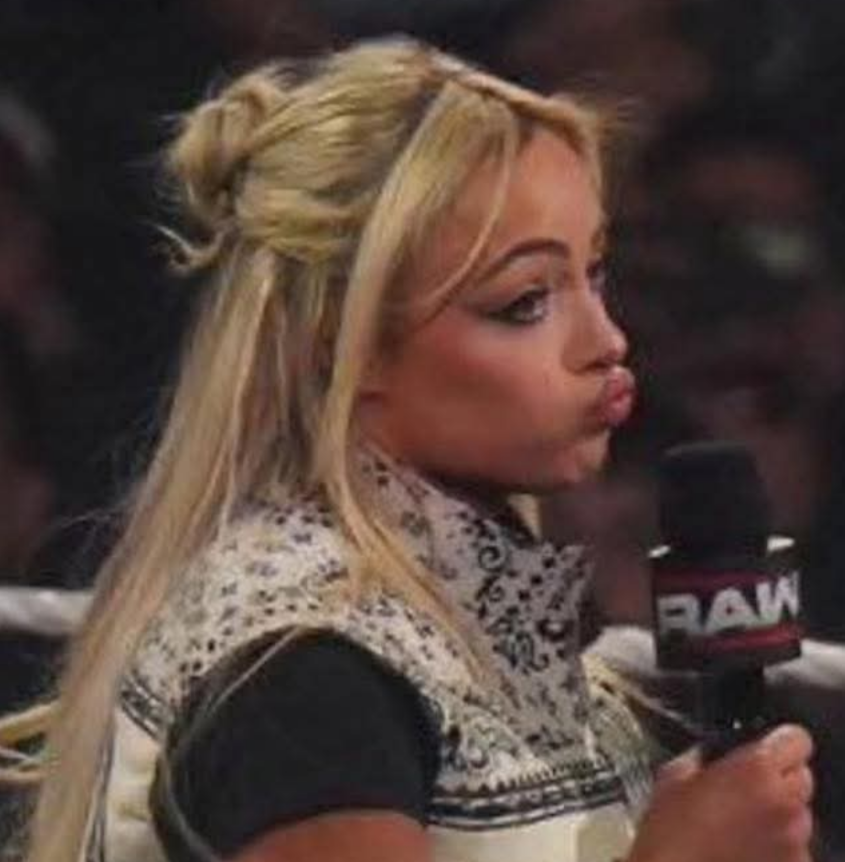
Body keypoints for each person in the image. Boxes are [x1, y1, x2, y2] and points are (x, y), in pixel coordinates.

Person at [3, 38, 813, 862]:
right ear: (341, 346)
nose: (605, 341)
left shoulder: (439, 623)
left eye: (594, 274)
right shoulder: (306, 667)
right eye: (525, 301)